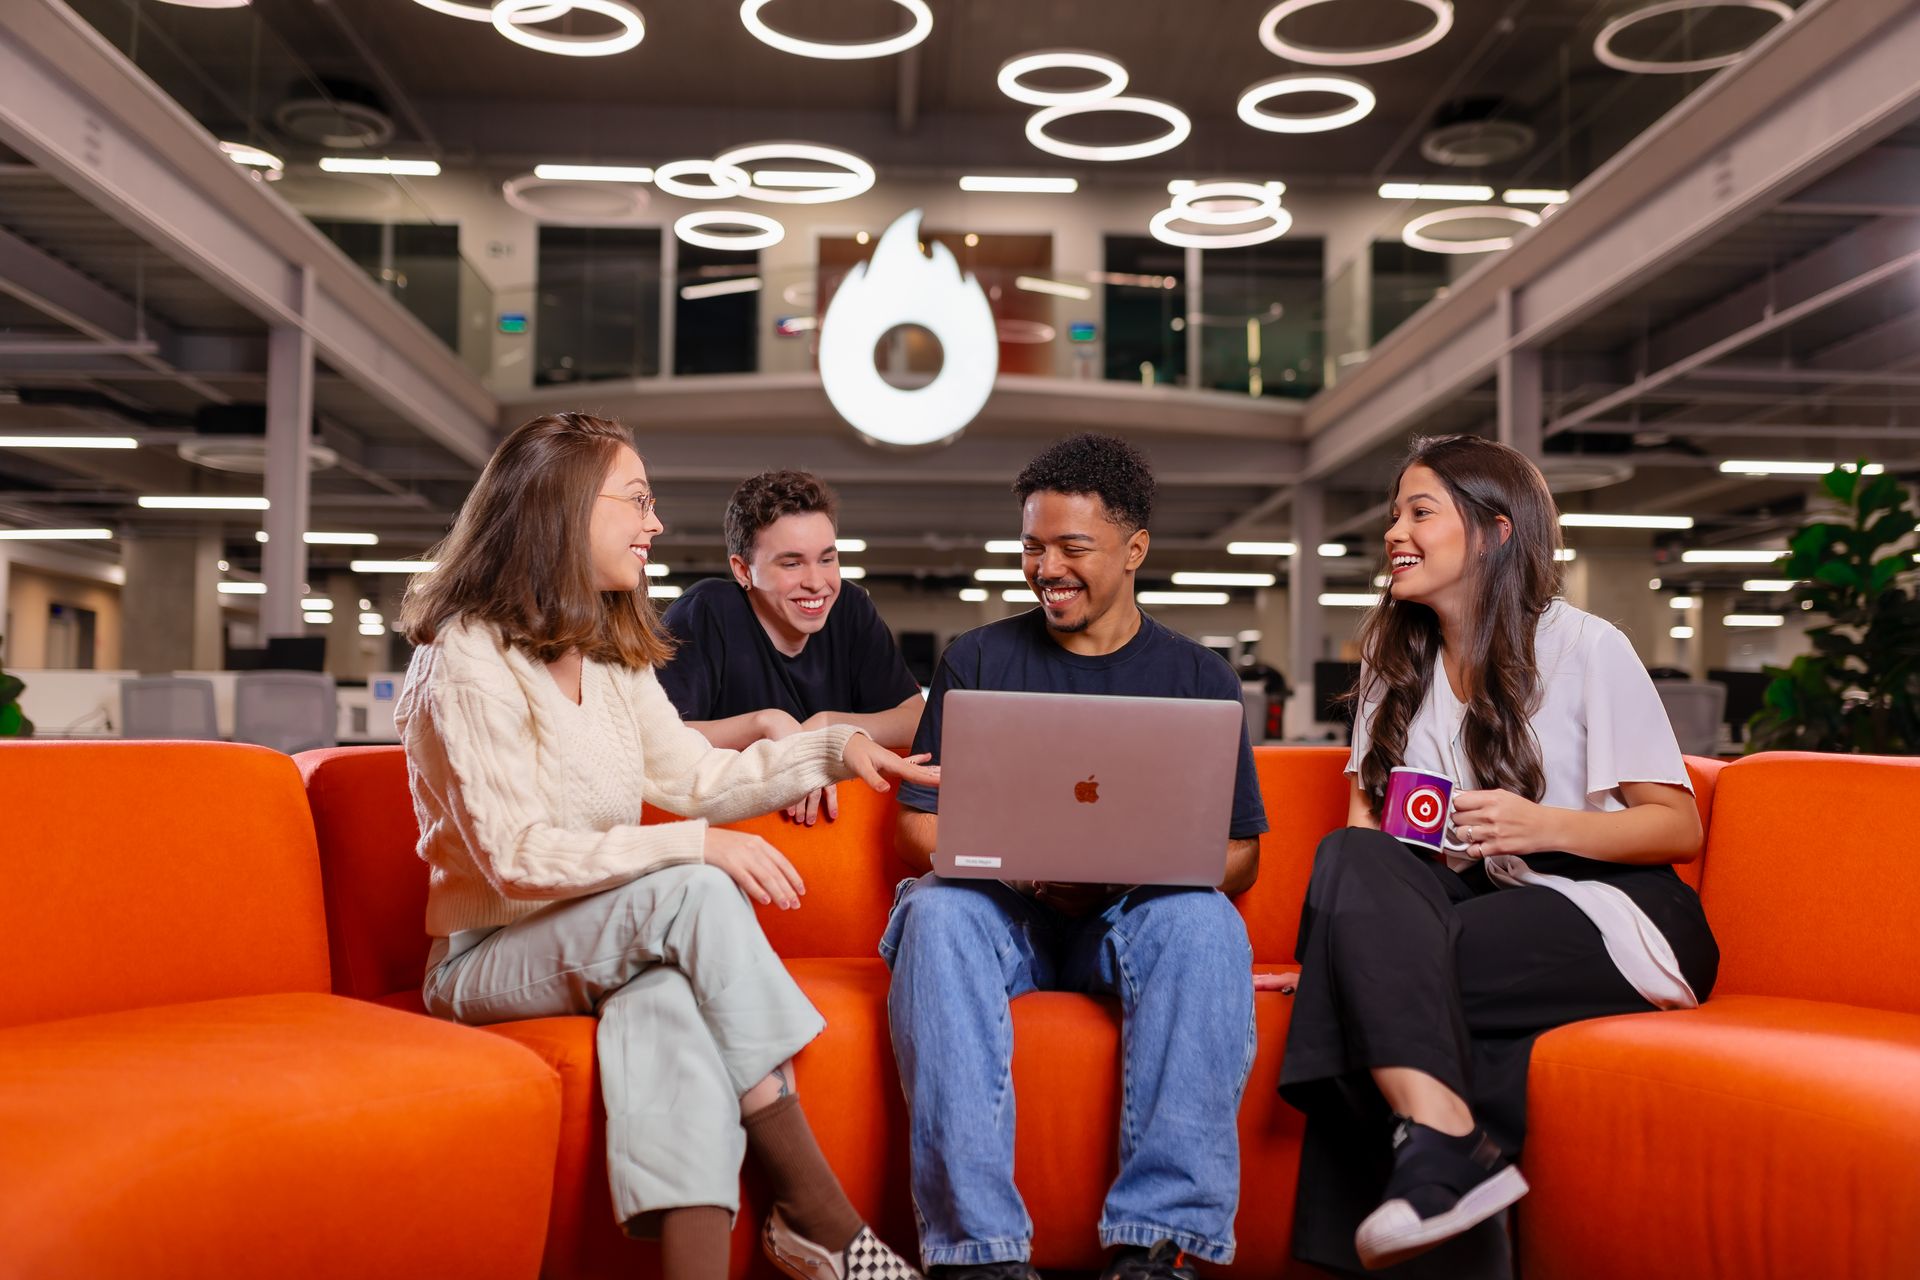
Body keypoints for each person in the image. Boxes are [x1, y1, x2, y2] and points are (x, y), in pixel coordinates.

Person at [394, 412, 935, 1280]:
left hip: (605, 930)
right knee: (697, 889)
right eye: (638, 501)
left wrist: (834, 749)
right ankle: (821, 1214)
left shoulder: (608, 652)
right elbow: (514, 856)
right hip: (487, 956)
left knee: (675, 1017)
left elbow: (692, 776)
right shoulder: (465, 660)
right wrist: (698, 852)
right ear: (565, 509)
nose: (654, 523)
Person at [1276, 434, 1719, 1276]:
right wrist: (1337, 944)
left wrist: (1538, 825)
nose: (1394, 533)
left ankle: (1423, 1186)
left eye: (1419, 512)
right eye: (1393, 515)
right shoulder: (1390, 660)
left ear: (1495, 530)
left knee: (1378, 996)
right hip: (1474, 908)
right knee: (1347, 860)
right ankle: (1445, 1156)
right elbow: (1367, 836)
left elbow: (1675, 827)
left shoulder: (1586, 646)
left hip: (1609, 908)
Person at [880, 433, 1269, 1280]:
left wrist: (1143, 863)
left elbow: (1241, 858)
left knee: (1205, 925)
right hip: (1004, 916)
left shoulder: (1200, 679)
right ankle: (977, 1255)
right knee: (937, 911)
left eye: (1071, 548)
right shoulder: (978, 660)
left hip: (1131, 920)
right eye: (1032, 546)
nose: (1045, 566)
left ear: (1134, 550)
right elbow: (915, 829)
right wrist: (1015, 865)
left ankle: (1158, 1249)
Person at [661, 469, 924, 827]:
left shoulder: (851, 607)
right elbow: (656, 740)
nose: (817, 583)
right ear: (742, 571)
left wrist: (825, 729)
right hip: (735, 834)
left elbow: (915, 719)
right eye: (792, 563)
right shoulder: (706, 612)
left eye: (827, 559)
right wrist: (766, 724)